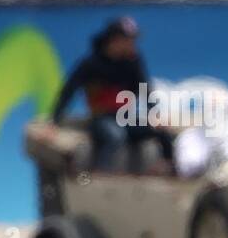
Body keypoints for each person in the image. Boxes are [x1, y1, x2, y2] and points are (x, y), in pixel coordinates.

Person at [50, 17, 175, 173]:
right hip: (102, 118)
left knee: (161, 132)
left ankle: (170, 171)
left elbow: (144, 89)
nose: (132, 45)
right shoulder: (91, 64)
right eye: (129, 40)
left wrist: (155, 115)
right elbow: (68, 91)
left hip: (126, 117)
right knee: (115, 136)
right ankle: (101, 174)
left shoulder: (133, 62)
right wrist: (54, 121)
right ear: (115, 40)